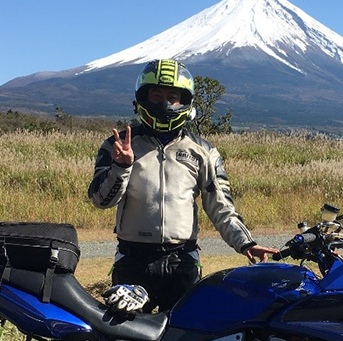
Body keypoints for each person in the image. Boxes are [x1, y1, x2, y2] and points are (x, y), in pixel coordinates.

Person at [89, 58, 276, 312]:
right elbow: (101, 201)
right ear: (142, 98)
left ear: (185, 101)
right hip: (133, 261)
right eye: (156, 95)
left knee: (183, 339)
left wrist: (245, 242)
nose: (164, 103)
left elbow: (220, 204)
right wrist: (121, 167)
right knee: (125, 340)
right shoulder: (119, 145)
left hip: (183, 261)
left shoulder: (203, 151)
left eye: (172, 96)